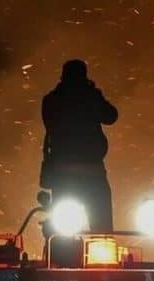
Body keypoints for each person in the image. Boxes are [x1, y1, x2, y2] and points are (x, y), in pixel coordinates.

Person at [40, 59, 118, 232]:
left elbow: (49, 123)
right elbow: (111, 116)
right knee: (101, 229)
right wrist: (94, 95)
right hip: (93, 174)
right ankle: (102, 254)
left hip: (62, 176)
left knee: (62, 231)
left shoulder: (52, 100)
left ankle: (61, 256)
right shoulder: (90, 98)